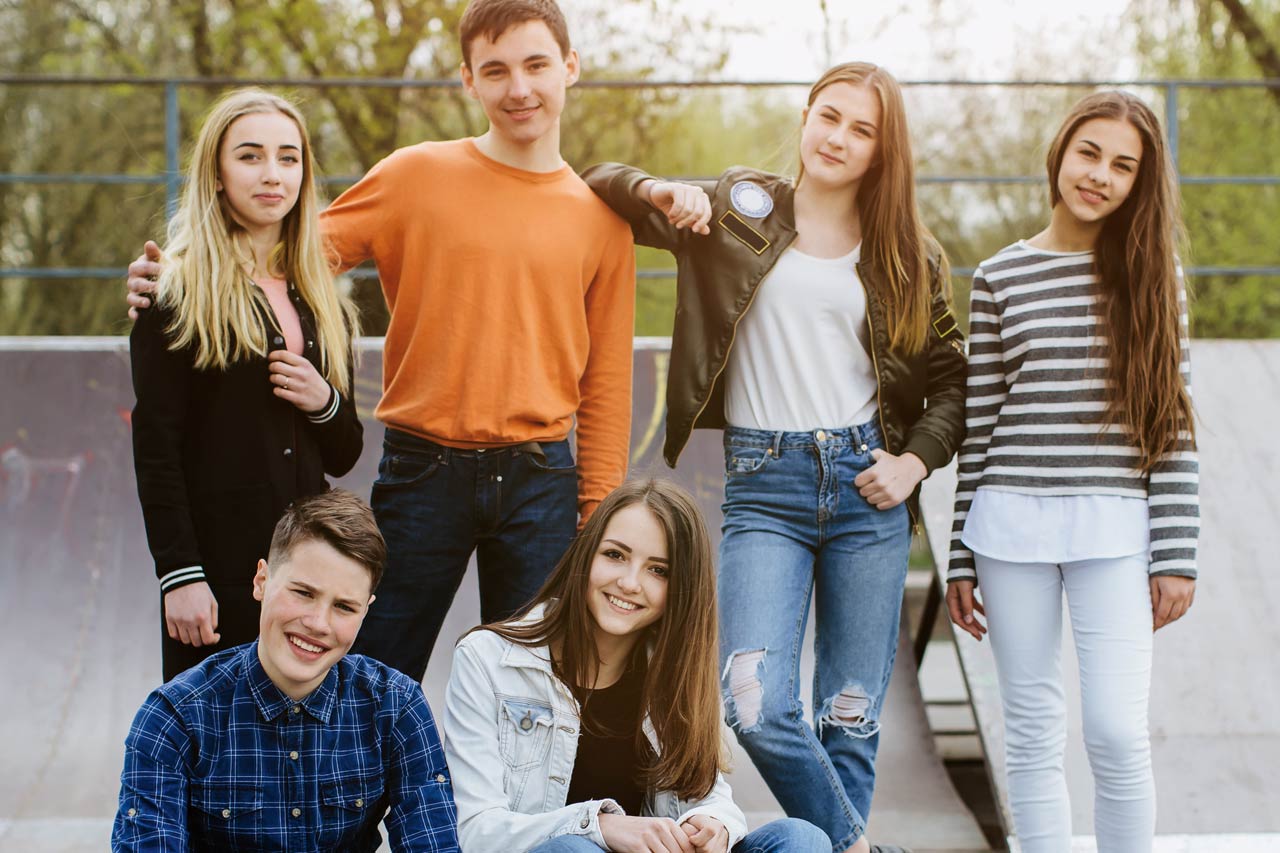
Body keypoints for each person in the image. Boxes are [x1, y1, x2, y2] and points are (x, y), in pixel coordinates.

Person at [126, 0, 636, 683]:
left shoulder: (602, 222)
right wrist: (176, 275)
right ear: (467, 81)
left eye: (537, 65)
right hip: (423, 472)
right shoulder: (413, 176)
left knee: (533, 684)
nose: (519, 88)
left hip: (540, 480)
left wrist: (597, 514)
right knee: (365, 675)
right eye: (496, 70)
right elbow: (289, 251)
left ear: (569, 67)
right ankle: (357, 794)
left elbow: (605, 381)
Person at [583, 62, 966, 853]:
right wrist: (658, 188)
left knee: (850, 718)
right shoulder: (736, 213)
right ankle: (859, 847)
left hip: (870, 491)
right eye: (830, 116)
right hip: (765, 488)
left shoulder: (909, 254)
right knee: (753, 701)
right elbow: (601, 184)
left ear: (882, 151)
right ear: (804, 118)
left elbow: (954, 381)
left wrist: (915, 461)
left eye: (863, 129)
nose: (839, 137)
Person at [944, 91, 1199, 853]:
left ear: (1139, 183)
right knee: (1031, 732)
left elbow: (1174, 426)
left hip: (1116, 528)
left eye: (1124, 166)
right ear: (1060, 153)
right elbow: (982, 422)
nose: (1101, 175)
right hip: (1007, 526)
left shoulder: (1154, 279)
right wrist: (959, 552)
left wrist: (1177, 553)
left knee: (1118, 732)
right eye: (1090, 152)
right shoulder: (1000, 276)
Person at [444, 478, 831, 853]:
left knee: (803, 839)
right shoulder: (488, 658)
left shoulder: (678, 672)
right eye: (615, 555)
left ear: (681, 588)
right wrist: (601, 826)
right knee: (571, 850)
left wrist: (713, 826)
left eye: (658, 570)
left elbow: (713, 799)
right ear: (586, 554)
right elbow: (474, 831)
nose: (630, 583)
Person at [130, 87, 362, 681]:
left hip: (303, 581)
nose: (272, 174)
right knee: (209, 756)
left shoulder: (322, 299)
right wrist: (180, 576)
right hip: (216, 577)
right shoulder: (174, 291)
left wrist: (324, 401)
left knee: (297, 760)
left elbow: (345, 449)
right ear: (216, 173)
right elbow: (156, 450)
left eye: (288, 158)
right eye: (250, 156)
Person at [112, 489, 460, 852]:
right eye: (304, 593)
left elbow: (432, 843)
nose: (318, 623)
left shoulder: (396, 706)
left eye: (344, 606)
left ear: (366, 611)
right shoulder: (173, 718)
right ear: (261, 580)